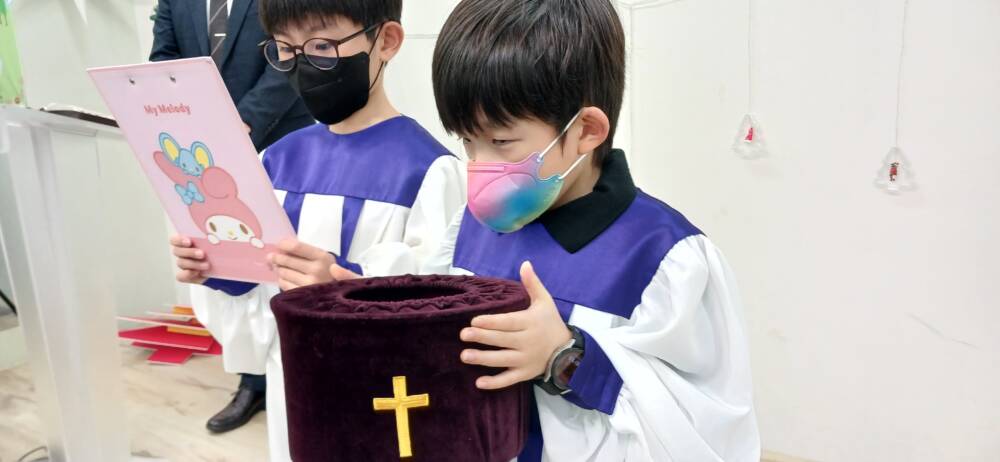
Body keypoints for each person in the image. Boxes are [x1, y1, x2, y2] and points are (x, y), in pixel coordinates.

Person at [336, 0, 762, 459]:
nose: (478, 167)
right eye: (468, 142)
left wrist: (567, 357)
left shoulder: (663, 258)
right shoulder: (473, 227)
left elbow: (703, 429)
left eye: (501, 141)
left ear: (586, 130)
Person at [168, 0, 465, 459]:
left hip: (383, 395)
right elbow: (260, 302)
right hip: (292, 381)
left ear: (386, 40)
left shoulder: (428, 169)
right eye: (286, 50)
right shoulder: (274, 161)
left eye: (322, 45)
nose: (302, 65)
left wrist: (345, 287)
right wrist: (219, 270)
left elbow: (442, 300)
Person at [150, 0, 314, 434]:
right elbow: (164, 60)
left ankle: (302, 368)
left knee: (286, 262)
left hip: (282, 138)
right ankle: (253, 379)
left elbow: (290, 52)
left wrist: (240, 123)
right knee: (234, 266)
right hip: (202, 153)